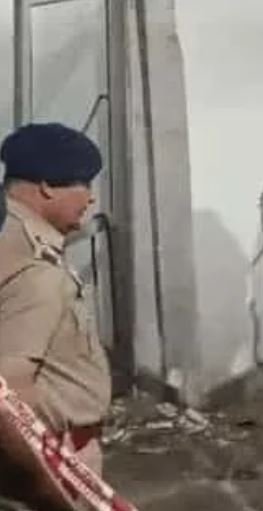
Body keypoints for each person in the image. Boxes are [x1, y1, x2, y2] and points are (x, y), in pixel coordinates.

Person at [0, 123, 111, 507]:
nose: (91, 198)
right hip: (51, 463)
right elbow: (9, 398)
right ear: (47, 186)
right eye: (83, 184)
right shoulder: (34, 270)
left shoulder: (16, 237)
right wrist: (51, 497)